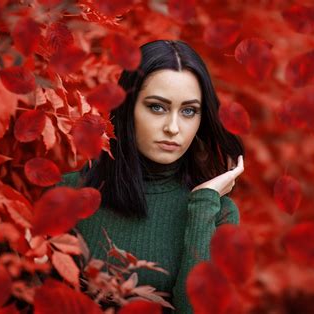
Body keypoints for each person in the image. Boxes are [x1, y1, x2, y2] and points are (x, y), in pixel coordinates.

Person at [57, 39, 245, 313]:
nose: (172, 127)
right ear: (127, 107)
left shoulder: (218, 214)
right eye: (157, 107)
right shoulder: (69, 193)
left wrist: (203, 205)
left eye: (189, 111)